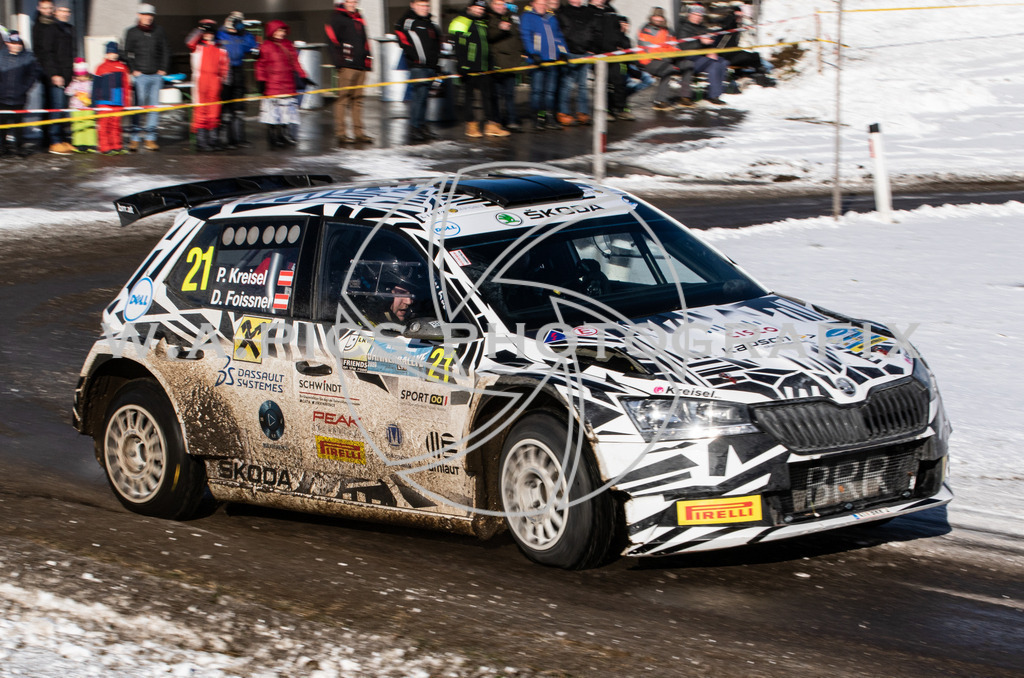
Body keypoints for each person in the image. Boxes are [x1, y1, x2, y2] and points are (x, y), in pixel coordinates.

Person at [450, 0, 508, 138]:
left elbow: (486, 43)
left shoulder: (481, 22)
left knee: (487, 96)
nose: (479, 11)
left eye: (482, 9)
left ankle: (490, 125)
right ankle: (471, 125)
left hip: (484, 66)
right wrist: (462, 65)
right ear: (470, 7)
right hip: (469, 66)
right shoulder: (461, 21)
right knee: (469, 97)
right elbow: (459, 46)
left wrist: (491, 63)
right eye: (477, 8)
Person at [255, 19, 311, 149]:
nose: (281, 33)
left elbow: (296, 63)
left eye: (282, 30)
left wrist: (303, 76)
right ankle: (273, 137)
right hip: (273, 85)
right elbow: (260, 66)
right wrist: (261, 81)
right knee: (273, 113)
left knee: (286, 113)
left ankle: (283, 135)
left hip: (287, 84)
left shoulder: (288, 44)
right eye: (278, 30)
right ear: (272, 31)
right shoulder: (266, 46)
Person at [394, 0, 442, 143]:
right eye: (421, 5)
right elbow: (401, 36)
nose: (424, 8)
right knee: (419, 96)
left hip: (430, 67)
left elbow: (436, 44)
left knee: (425, 97)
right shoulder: (408, 21)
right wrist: (414, 56)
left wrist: (436, 63)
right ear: (413, 5)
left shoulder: (431, 24)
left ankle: (422, 126)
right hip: (417, 66)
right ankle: (414, 127)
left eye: (426, 6)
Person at [123, 3, 169, 150]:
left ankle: (150, 138)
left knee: (154, 108)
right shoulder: (131, 32)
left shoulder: (159, 31)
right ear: (139, 15)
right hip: (140, 76)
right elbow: (126, 53)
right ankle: (135, 138)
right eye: (144, 15)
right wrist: (133, 69)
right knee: (138, 107)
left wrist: (163, 69)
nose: (147, 18)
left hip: (156, 76)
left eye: (150, 15)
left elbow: (166, 50)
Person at [326, 0, 373, 146]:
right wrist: (339, 63)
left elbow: (365, 41)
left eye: (354, 1)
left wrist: (368, 61)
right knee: (343, 100)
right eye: (349, 1)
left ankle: (359, 133)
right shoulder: (336, 18)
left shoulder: (359, 17)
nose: (352, 4)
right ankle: (341, 133)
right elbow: (331, 42)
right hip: (347, 66)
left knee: (358, 100)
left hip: (361, 65)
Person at [32, 0, 75, 154]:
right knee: (56, 107)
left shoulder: (69, 29)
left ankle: (63, 139)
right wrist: (54, 74)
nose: (64, 13)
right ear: (56, 12)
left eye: (67, 11)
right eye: (61, 10)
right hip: (55, 75)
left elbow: (71, 53)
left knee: (63, 108)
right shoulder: (50, 28)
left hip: (67, 74)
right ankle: (55, 141)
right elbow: (47, 53)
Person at [519, 0, 568, 131]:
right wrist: (533, 53)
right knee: (537, 91)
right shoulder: (528, 16)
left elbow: (558, 36)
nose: (541, 6)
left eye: (543, 4)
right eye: (539, 4)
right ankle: (537, 118)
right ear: (533, 4)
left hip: (552, 59)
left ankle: (549, 116)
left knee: (550, 92)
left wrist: (563, 52)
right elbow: (526, 36)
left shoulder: (551, 17)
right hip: (538, 60)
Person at [638, 7, 695, 109]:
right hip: (650, 61)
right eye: (656, 17)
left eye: (660, 17)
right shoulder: (645, 30)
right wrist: (668, 54)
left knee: (688, 64)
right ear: (651, 17)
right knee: (667, 69)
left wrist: (676, 54)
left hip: (669, 59)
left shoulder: (668, 31)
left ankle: (685, 97)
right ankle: (660, 100)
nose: (658, 19)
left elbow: (675, 46)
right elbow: (650, 50)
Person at [216, 11, 259, 148]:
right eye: (235, 21)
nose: (237, 24)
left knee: (239, 106)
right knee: (226, 106)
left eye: (240, 21)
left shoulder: (244, 35)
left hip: (238, 71)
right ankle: (226, 140)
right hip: (224, 71)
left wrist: (256, 50)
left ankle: (239, 138)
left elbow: (253, 46)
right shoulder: (220, 34)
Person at [186, 19, 229, 152]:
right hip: (200, 81)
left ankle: (213, 140)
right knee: (200, 111)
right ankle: (201, 141)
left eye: (210, 32)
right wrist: (200, 29)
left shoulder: (220, 48)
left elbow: (225, 66)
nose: (208, 35)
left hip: (215, 81)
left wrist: (225, 82)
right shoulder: (196, 46)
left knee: (214, 111)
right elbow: (189, 41)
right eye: (206, 32)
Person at [588, 0, 633, 120]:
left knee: (619, 81)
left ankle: (621, 108)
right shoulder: (588, 11)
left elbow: (618, 31)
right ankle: (604, 109)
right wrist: (591, 49)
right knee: (603, 84)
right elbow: (588, 33)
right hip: (599, 54)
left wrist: (621, 44)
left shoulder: (610, 10)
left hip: (614, 53)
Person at [0, 31, 42, 158]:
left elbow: (32, 75)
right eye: (13, 43)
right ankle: (2, 147)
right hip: (2, 97)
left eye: (18, 43)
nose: (16, 46)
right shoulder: (1, 56)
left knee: (18, 124)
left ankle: (18, 147)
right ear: (7, 43)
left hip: (19, 97)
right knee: (2, 124)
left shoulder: (28, 57)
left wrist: (24, 88)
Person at [676, 3, 728, 105]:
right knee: (714, 64)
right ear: (689, 15)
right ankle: (714, 95)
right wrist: (700, 42)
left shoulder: (703, 28)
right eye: (695, 14)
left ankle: (717, 90)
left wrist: (711, 50)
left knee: (723, 62)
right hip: (688, 59)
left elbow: (709, 42)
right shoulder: (683, 28)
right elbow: (684, 47)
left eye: (699, 15)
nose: (697, 17)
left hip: (701, 57)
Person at [556, 0, 595, 126]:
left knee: (583, 85)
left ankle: (582, 112)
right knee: (567, 85)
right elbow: (559, 34)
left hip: (584, 53)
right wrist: (562, 52)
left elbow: (592, 30)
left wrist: (591, 47)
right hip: (569, 53)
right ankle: (563, 112)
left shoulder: (588, 12)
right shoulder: (563, 12)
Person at [486, 0, 522, 132]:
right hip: (497, 62)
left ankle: (511, 119)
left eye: (502, 4)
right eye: (496, 4)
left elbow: (517, 37)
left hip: (511, 62)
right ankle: (496, 120)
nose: (500, 7)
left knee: (510, 94)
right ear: (492, 5)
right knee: (496, 94)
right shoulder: (488, 18)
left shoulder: (511, 18)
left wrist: (520, 53)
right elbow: (488, 36)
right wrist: (501, 30)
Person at [93, 41, 131, 154]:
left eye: (114, 52)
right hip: (104, 101)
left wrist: (126, 102)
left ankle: (116, 145)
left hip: (118, 101)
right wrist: (94, 103)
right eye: (110, 52)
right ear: (106, 54)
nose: (113, 55)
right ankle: (104, 146)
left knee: (116, 125)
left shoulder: (122, 67)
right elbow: (96, 86)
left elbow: (126, 85)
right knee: (104, 124)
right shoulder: (100, 68)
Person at [64, 57, 97, 152]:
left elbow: (94, 92)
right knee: (78, 125)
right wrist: (75, 92)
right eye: (79, 76)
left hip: (87, 108)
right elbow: (67, 91)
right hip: (76, 108)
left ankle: (90, 144)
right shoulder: (74, 83)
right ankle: (79, 144)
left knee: (89, 125)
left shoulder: (90, 83)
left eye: (83, 76)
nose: (81, 78)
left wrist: (89, 95)